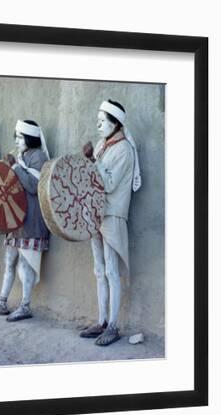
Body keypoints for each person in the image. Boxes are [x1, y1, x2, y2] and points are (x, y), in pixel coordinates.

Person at [80, 99, 141, 346]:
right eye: (98, 120)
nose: (98, 124)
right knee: (99, 270)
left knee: (111, 271)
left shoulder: (124, 149)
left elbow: (109, 183)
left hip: (113, 214)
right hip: (96, 213)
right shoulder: (102, 145)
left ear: (116, 123)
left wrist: (92, 162)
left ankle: (114, 325)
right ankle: (102, 320)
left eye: (102, 121)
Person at [0, 120, 50, 321]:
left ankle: (25, 306)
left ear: (30, 138)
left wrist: (14, 166)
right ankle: (2, 302)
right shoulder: (22, 156)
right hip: (16, 218)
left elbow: (33, 186)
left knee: (25, 263)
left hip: (31, 219)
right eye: (16, 137)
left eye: (21, 137)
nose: (17, 141)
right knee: (9, 261)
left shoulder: (39, 156)